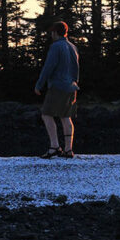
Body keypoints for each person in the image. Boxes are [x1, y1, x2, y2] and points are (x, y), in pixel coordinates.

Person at [34, 21, 80, 158]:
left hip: (58, 86)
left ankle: (54, 146)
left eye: (51, 32)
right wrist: (75, 82)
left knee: (46, 114)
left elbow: (49, 67)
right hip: (72, 87)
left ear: (55, 32)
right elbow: (76, 68)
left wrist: (39, 85)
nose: (51, 35)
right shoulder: (73, 47)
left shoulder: (56, 47)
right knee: (66, 117)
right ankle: (68, 149)